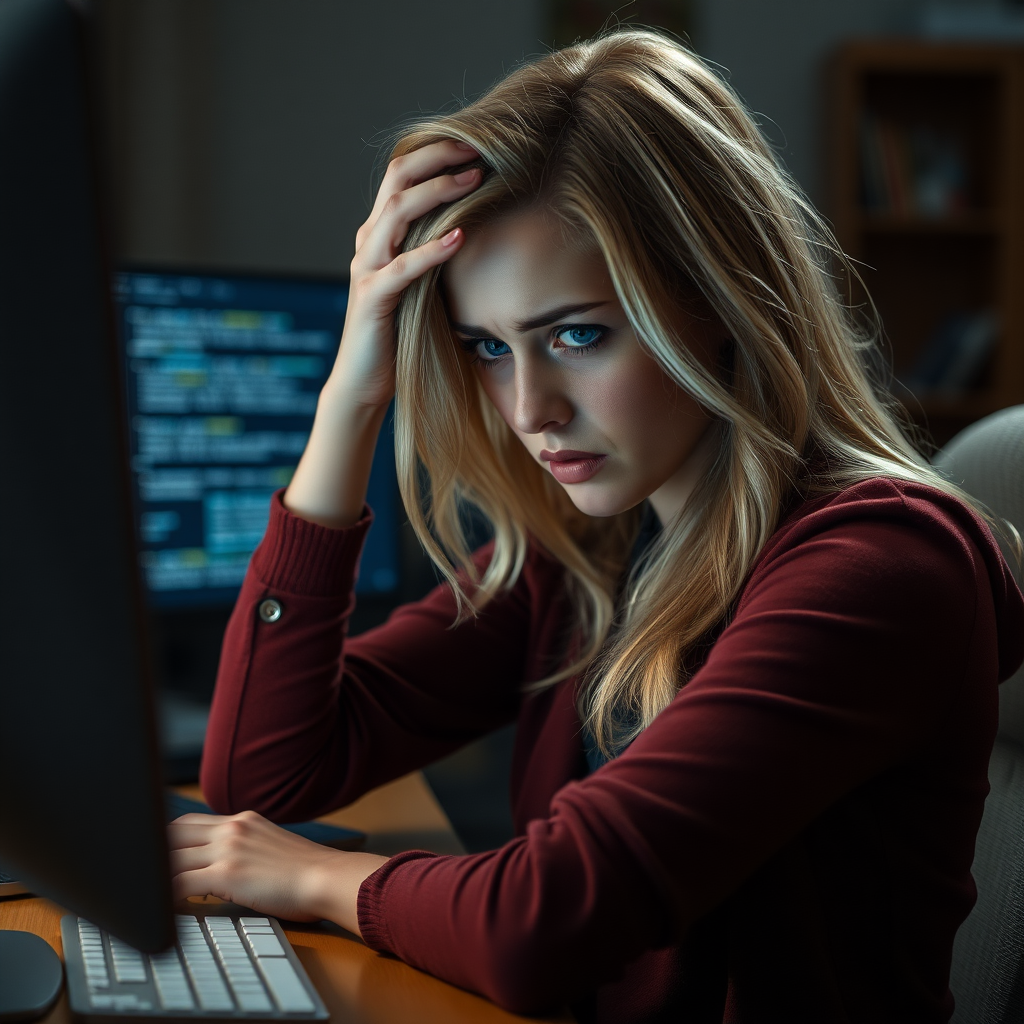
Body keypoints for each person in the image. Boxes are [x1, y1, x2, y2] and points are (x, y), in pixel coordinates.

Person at [169, 29, 1024, 1023]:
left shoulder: (880, 567)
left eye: (577, 334)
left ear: (718, 303)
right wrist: (351, 397)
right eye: (485, 346)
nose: (528, 408)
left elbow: (542, 923)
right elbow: (264, 773)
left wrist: (313, 879)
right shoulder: (587, 551)